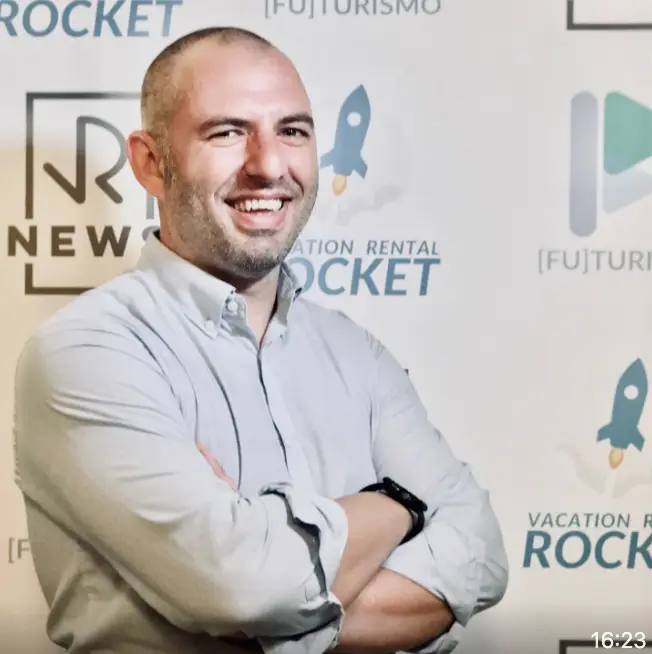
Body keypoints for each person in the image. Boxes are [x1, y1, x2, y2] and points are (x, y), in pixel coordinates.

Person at [13, 27, 508, 654]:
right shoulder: (89, 353)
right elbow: (237, 587)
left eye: (292, 131)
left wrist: (274, 613)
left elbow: (481, 554)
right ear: (150, 162)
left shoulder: (356, 353)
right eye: (227, 132)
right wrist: (400, 506)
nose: (269, 166)